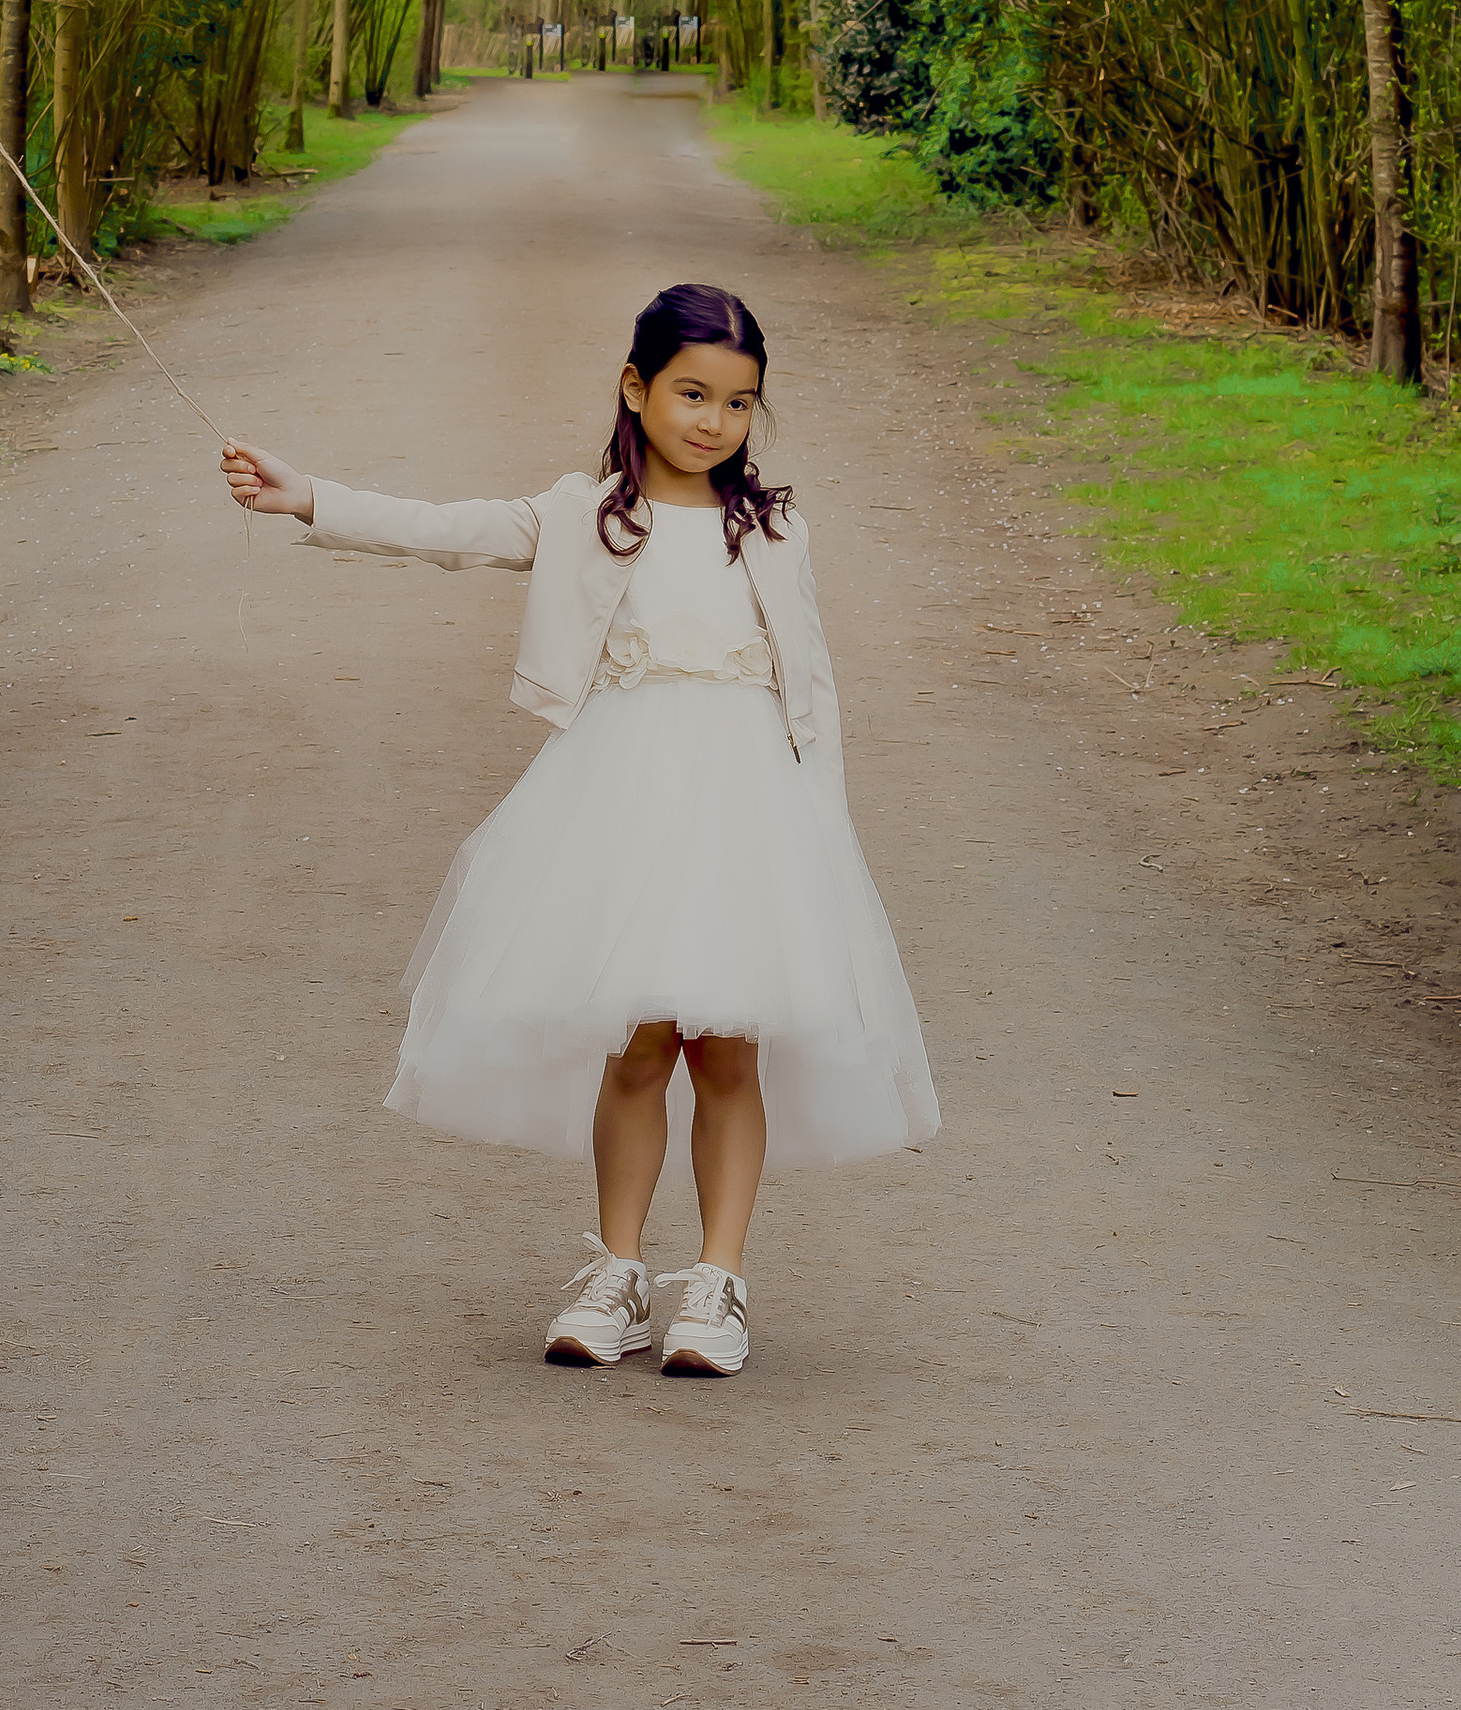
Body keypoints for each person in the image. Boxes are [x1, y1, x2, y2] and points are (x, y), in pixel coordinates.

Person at [221, 280, 938, 1377]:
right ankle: (615, 1272)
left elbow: (816, 683)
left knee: (730, 1047)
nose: (712, 421)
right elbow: (443, 530)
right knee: (643, 1041)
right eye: (692, 393)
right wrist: (306, 495)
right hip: (623, 801)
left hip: (751, 810)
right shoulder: (581, 515)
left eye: (739, 403)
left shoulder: (776, 529)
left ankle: (718, 1281)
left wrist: (823, 829)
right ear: (635, 386)